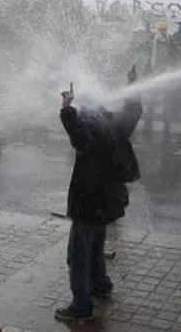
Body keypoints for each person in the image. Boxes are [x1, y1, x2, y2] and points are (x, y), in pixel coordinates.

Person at [55, 67, 142, 323]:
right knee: (96, 245)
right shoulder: (114, 124)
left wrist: (67, 108)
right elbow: (133, 111)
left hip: (88, 200)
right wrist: (133, 86)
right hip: (107, 200)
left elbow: (79, 135)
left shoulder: (90, 128)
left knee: (78, 254)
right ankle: (101, 285)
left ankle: (81, 305)